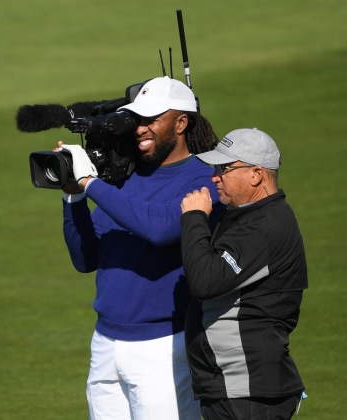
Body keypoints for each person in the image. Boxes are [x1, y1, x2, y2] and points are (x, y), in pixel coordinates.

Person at [57, 76, 223, 419]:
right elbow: (85, 257)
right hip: (105, 343)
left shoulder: (204, 178)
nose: (140, 129)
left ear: (181, 123)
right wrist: (73, 195)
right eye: (138, 119)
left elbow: (160, 228)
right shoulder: (129, 179)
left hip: (163, 347)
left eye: (152, 120)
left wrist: (90, 183)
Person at [179, 128, 308, 420]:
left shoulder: (265, 227)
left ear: (256, 175)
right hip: (237, 387)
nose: (215, 177)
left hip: (249, 391)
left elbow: (205, 281)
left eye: (224, 169)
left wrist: (195, 218)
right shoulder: (250, 217)